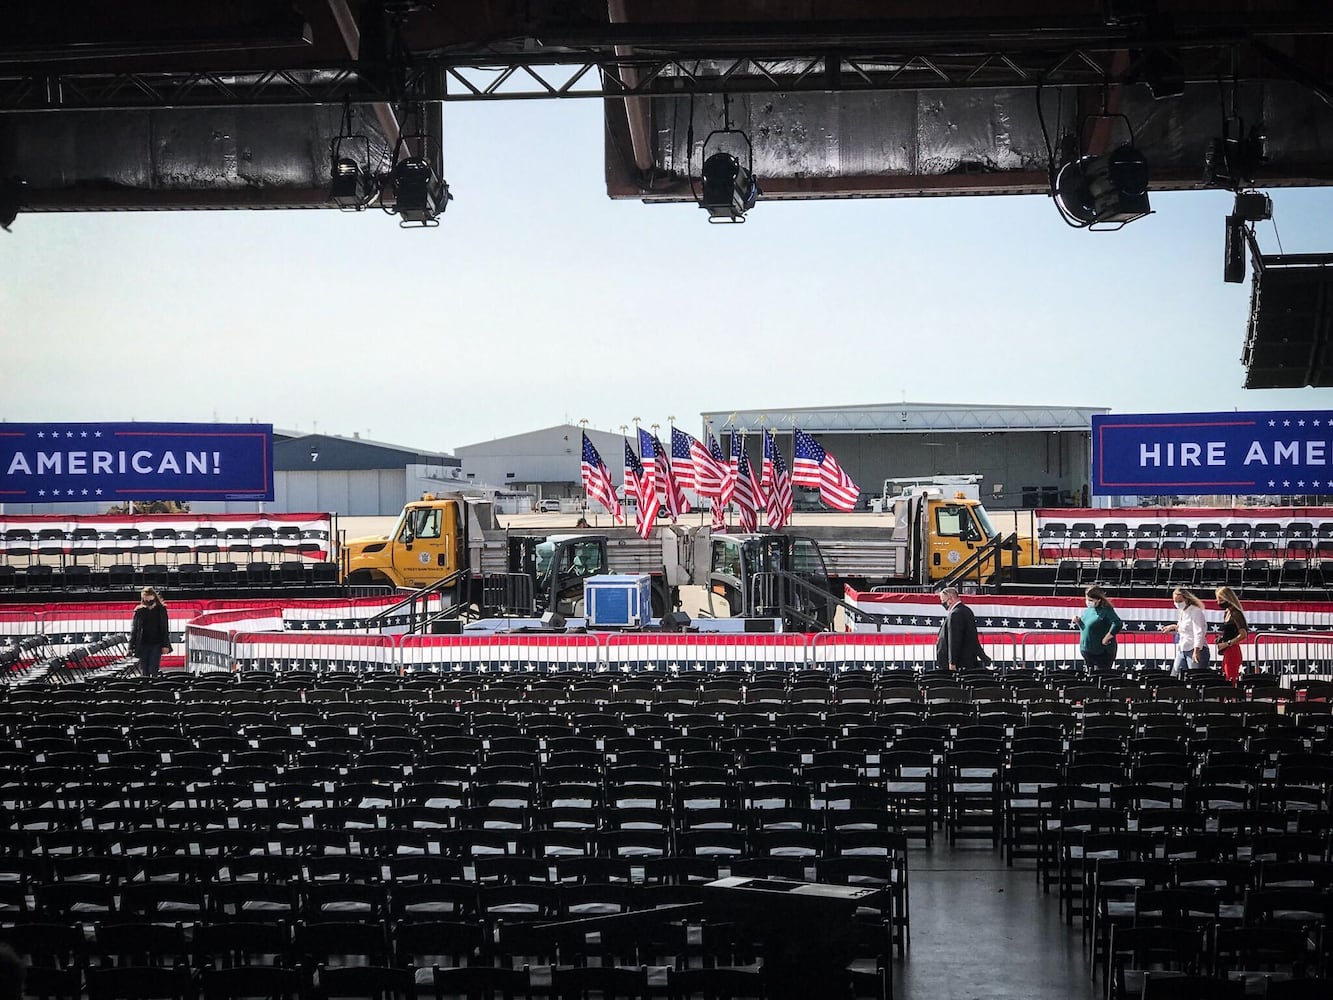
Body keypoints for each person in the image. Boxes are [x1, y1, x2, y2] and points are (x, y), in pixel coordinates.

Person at [1159, 587, 1209, 676]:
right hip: (1183, 648)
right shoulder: (1183, 611)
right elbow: (1185, 628)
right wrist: (1173, 627)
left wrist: (1196, 650)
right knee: (1175, 675)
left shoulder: (1195, 611)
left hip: (1195, 649)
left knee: (1195, 677)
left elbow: (1199, 631)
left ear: (1187, 599)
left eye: (1180, 601)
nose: (1178, 604)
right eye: (1175, 601)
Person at [934, 586, 986, 672]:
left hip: (958, 663)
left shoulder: (955, 614)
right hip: (967, 660)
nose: (942, 603)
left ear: (950, 599)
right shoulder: (966, 610)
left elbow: (954, 639)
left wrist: (952, 662)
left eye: (943, 601)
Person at [1073, 585, 1123, 672]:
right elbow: (1087, 626)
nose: (1088, 602)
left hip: (1101, 653)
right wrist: (1078, 621)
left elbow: (1117, 623)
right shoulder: (1089, 610)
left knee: (1100, 676)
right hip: (1087, 651)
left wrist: (1107, 637)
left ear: (1099, 600)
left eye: (1091, 600)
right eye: (1087, 599)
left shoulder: (1106, 610)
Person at [130, 586, 171, 678]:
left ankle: (154, 685)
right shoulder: (139, 611)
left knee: (154, 666)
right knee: (144, 668)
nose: (148, 603)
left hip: (156, 642)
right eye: (146, 601)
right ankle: (146, 687)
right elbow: (134, 629)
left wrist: (165, 645)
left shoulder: (161, 610)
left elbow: (165, 628)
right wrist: (130, 646)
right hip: (143, 643)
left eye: (150, 600)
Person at [1214, 586, 1249, 684]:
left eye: (1221, 599)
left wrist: (1227, 643)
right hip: (1227, 650)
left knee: (1231, 678)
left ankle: (1231, 697)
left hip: (1232, 649)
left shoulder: (1236, 613)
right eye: (1218, 599)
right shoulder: (1227, 612)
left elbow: (1243, 634)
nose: (1219, 602)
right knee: (1226, 676)